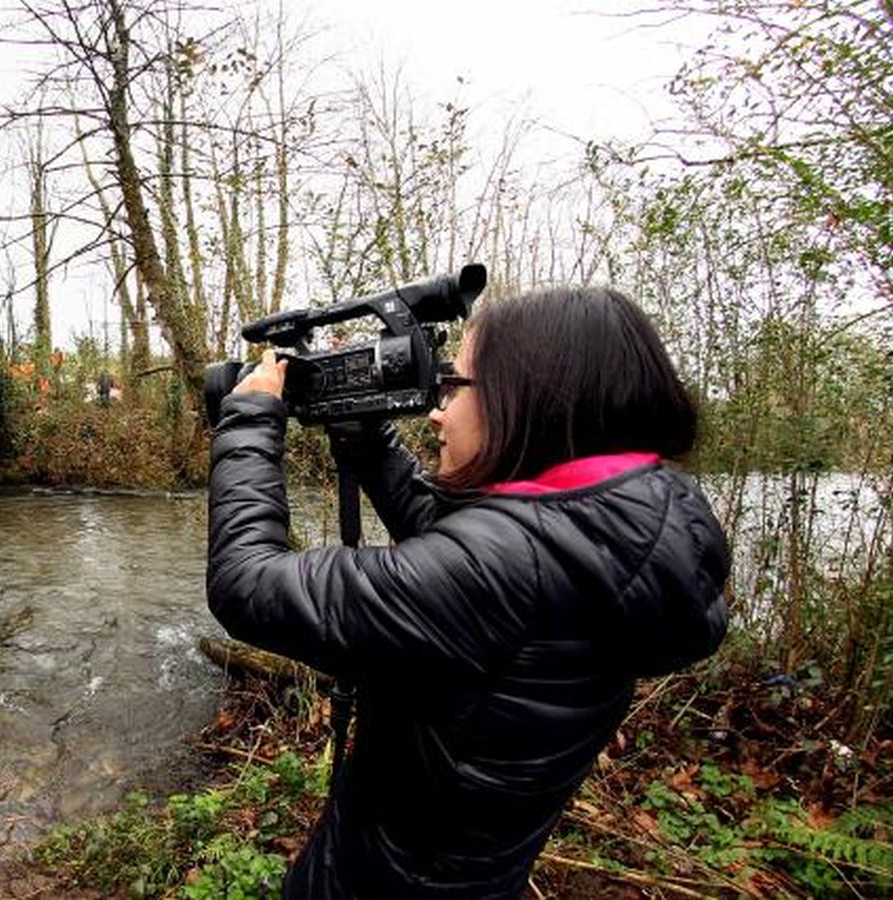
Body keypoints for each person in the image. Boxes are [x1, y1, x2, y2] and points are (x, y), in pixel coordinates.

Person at [205, 286, 729, 898]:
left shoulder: (506, 565)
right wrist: (366, 442)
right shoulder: (627, 523)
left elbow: (246, 584)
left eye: (455, 386)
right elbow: (464, 549)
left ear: (526, 400)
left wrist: (249, 417)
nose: (437, 410)